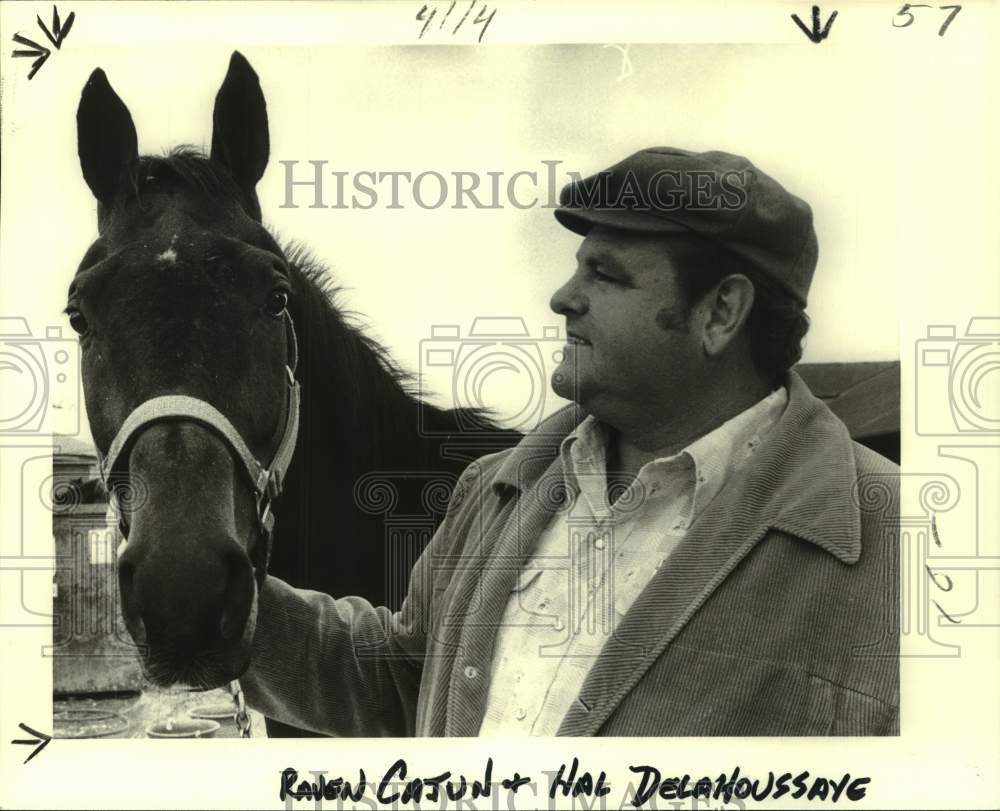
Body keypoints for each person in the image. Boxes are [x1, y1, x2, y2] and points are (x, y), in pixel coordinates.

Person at [242, 146, 899, 736]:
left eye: (606, 275)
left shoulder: (900, 543)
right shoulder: (498, 489)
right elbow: (404, 681)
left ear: (721, 312)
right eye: (576, 269)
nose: (562, 297)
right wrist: (226, 606)